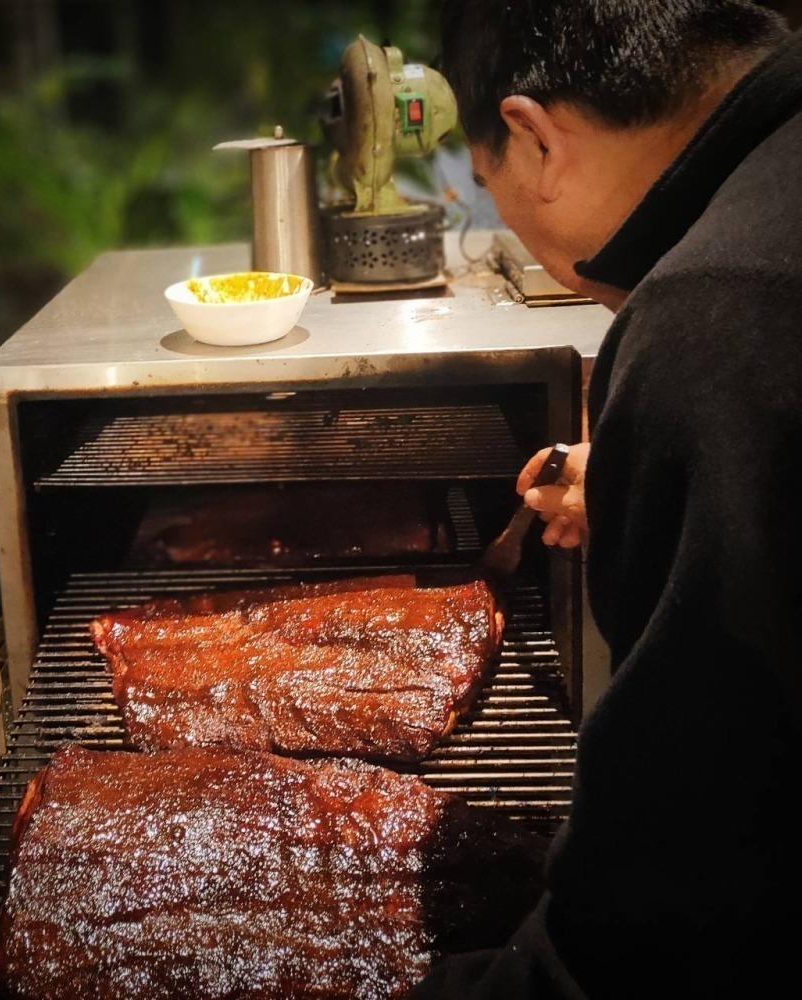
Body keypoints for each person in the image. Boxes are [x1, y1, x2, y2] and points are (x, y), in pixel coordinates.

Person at [405, 2, 802, 998]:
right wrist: (649, 474)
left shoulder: (720, 312)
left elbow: (669, 921)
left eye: (493, 196)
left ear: (536, 138)